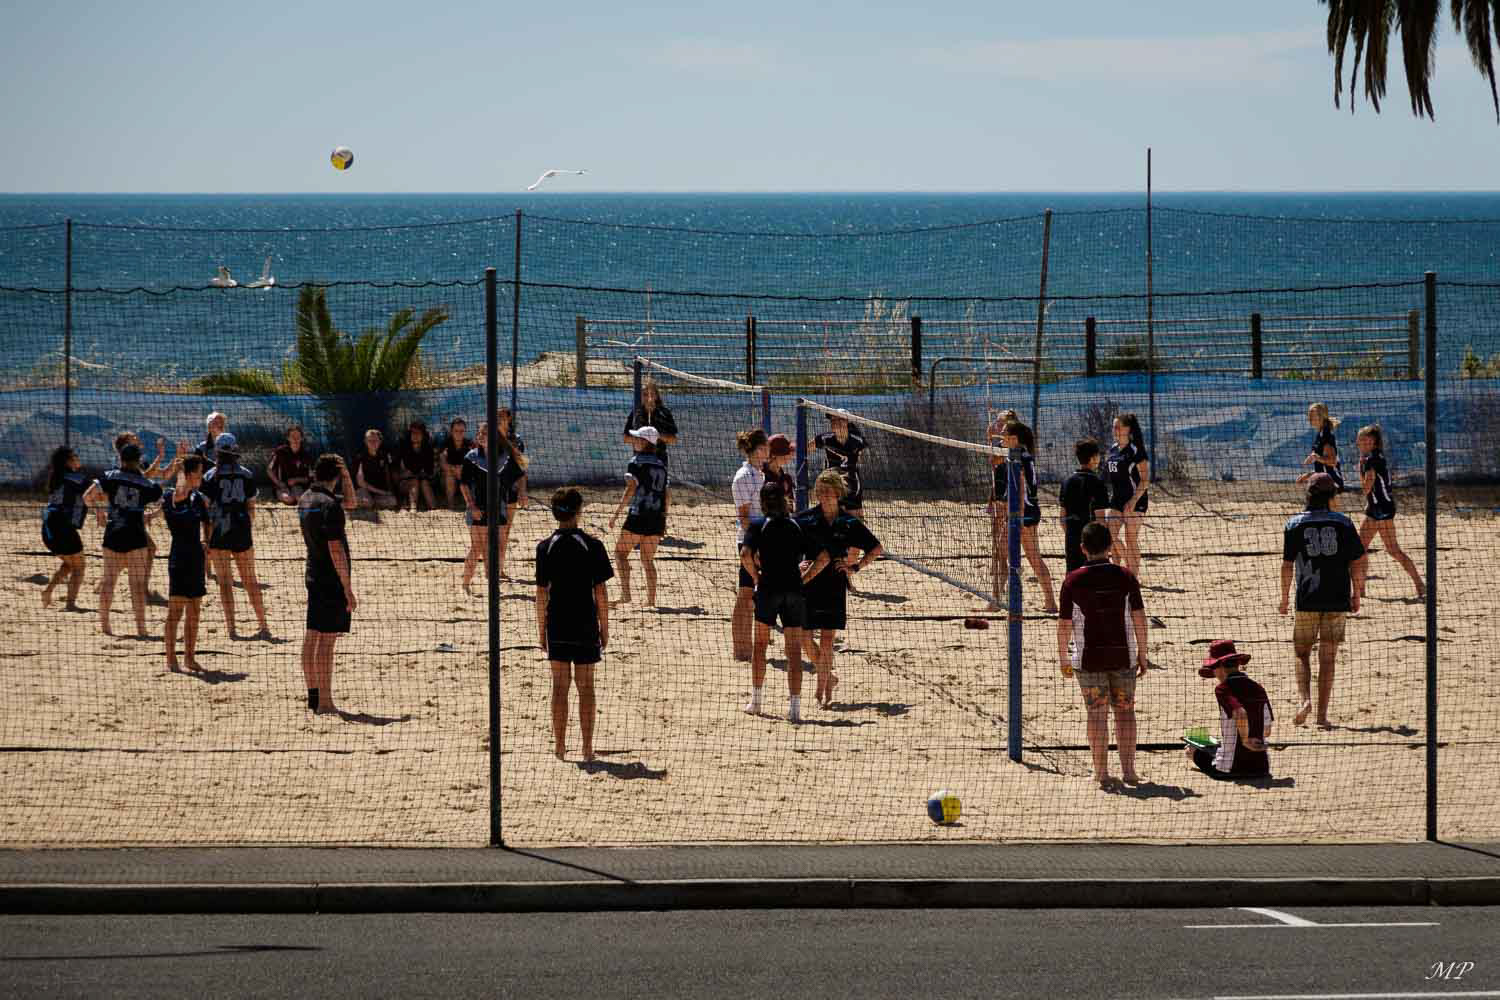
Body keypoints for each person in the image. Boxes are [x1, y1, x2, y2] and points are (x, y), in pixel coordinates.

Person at [1056, 521, 1148, 788]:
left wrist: (1063, 657)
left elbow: (1064, 625)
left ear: (1083, 548)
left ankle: (1101, 773)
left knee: (1096, 714)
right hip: (1123, 656)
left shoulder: (1073, 580)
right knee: (1125, 712)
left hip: (1089, 659)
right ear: (1110, 547)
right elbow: (1139, 619)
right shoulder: (1126, 576)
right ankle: (1129, 772)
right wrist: (1143, 653)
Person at [1280, 472, 1367, 728]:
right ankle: (1321, 716)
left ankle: (1304, 700)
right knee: (1328, 658)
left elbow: (1286, 566)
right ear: (1333, 496)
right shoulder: (1344, 523)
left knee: (1301, 653)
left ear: (1308, 494)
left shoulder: (1294, 524)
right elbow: (1357, 561)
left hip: (1306, 597)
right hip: (1337, 597)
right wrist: (1357, 592)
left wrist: (1284, 598)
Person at [535, 487, 614, 761]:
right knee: (586, 686)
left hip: (557, 622)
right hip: (584, 623)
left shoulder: (545, 547)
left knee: (559, 686)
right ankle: (587, 748)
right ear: (580, 511)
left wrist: (540, 630)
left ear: (555, 513)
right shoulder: (593, 545)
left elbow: (541, 593)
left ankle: (559, 746)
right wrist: (605, 627)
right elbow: (601, 592)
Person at [741, 480, 829, 723]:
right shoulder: (797, 525)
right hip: (793, 590)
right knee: (793, 651)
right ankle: (795, 709)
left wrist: (756, 576)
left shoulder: (759, 524)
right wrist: (806, 577)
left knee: (760, 646)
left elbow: (745, 555)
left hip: (768, 589)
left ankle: (756, 702)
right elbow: (823, 557)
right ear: (785, 499)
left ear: (762, 502)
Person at [796, 470, 882, 709]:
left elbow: (876, 548)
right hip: (809, 584)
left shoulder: (849, 522)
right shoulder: (805, 519)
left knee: (826, 640)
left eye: (827, 491)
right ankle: (829, 677)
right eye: (820, 491)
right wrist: (797, 564)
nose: (823, 496)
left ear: (837, 493)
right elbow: (791, 546)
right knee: (804, 638)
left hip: (834, 584)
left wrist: (855, 567)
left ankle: (823, 691)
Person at [298, 454, 358, 715]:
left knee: (312, 636)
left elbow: (353, 503)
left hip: (312, 572)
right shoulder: (330, 506)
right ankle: (325, 702)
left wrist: (344, 477)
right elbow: (336, 549)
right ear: (336, 476)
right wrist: (347, 587)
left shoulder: (306, 499)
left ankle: (313, 697)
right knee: (327, 642)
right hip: (330, 578)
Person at [85, 442, 164, 637]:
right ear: (139, 461)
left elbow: (87, 496)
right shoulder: (146, 484)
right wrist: (152, 515)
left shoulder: (109, 476)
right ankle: (141, 629)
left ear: (120, 458)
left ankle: (105, 626)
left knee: (109, 581)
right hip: (135, 534)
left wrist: (99, 512)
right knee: (137, 585)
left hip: (114, 531)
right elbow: (163, 500)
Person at [202, 432, 271, 640]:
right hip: (241, 531)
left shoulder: (209, 476)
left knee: (225, 583)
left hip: (219, 532)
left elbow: (205, 512)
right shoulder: (246, 474)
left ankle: (232, 629)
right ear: (235, 450)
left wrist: (207, 538)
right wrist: (245, 528)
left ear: (217, 451)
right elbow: (251, 508)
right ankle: (263, 625)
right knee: (250, 581)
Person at [989, 418, 1056, 613]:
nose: (1002, 441)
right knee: (1001, 553)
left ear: (1014, 438)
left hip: (1024, 513)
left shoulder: (1020, 457)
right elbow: (995, 457)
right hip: (1022, 511)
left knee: (1032, 557)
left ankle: (1050, 602)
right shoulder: (1018, 454)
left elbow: (1021, 489)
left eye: (1005, 437)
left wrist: (1017, 516)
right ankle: (995, 601)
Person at [1354, 423, 1424, 600]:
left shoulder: (1371, 460)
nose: (1363, 443)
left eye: (1367, 441)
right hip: (1376, 509)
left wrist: (1359, 472)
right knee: (1361, 549)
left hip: (1381, 510)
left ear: (1375, 443)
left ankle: (1420, 584)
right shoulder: (1374, 458)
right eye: (1361, 440)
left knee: (1391, 550)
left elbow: (1366, 487)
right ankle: (1361, 590)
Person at [1187, 640, 1274, 780]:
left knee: (1192, 750)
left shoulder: (1223, 689)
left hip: (1232, 768)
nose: (1214, 673)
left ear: (1220, 666)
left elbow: (1240, 713)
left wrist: (1245, 740)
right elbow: (1267, 730)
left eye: (1213, 668)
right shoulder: (1258, 687)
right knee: (1217, 746)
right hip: (1261, 768)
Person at [458, 422, 527, 593]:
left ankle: (492, 584)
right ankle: (465, 585)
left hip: (499, 507)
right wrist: (471, 505)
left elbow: (521, 475)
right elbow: (464, 484)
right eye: (479, 432)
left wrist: (522, 494)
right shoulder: (471, 457)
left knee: (499, 546)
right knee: (478, 547)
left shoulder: (505, 457)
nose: (480, 435)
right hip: (478, 507)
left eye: (485, 433)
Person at [162, 456, 212, 672]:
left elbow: (207, 522)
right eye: (199, 472)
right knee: (175, 612)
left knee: (194, 611)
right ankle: (171, 659)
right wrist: (180, 468)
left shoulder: (198, 498)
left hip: (196, 558)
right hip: (179, 558)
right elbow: (180, 493)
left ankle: (189, 658)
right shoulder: (171, 497)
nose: (202, 476)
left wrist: (206, 541)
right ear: (189, 474)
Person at [609, 426, 668, 607]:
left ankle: (626, 595)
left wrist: (616, 514)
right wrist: (664, 518)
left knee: (620, 554)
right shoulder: (661, 464)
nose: (634, 441)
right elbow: (666, 494)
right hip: (657, 517)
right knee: (647, 560)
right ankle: (650, 601)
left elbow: (630, 489)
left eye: (637, 438)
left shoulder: (636, 462)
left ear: (644, 442)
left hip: (639, 514)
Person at [730, 428, 769, 662]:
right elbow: (744, 517)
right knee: (745, 594)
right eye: (764, 447)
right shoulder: (744, 477)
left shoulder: (759, 474)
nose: (767, 451)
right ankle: (740, 649)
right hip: (749, 541)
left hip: (761, 539)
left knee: (754, 594)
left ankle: (749, 647)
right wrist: (753, 549)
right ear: (755, 449)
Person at [40, 445, 89, 611]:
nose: (78, 458)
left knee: (69, 564)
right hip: (63, 525)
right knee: (80, 567)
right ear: (68, 461)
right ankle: (70, 604)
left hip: (48, 526)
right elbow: (97, 492)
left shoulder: (56, 478)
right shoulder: (77, 478)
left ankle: (47, 592)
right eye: (75, 456)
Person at [1103, 413, 1150, 577]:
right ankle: (1119, 571)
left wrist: (1133, 501)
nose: (1115, 430)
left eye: (1118, 427)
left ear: (1128, 429)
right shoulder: (1113, 450)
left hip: (1136, 500)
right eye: (1113, 427)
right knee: (1110, 535)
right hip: (1117, 500)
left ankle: (1132, 577)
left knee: (1130, 538)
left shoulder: (1136, 450)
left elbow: (1145, 480)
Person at [1059, 439, 1111, 575]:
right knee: (1093, 578)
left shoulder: (1067, 482)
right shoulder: (1098, 483)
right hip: (1092, 541)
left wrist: (1072, 534)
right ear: (1093, 458)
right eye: (1098, 455)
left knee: (1072, 576)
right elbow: (1100, 520)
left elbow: (1062, 518)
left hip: (1072, 537)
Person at [494, 408, 529, 578]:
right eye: (497, 415)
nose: (500, 418)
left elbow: (522, 468)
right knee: (492, 531)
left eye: (503, 415)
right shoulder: (488, 437)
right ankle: (493, 568)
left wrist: (523, 491)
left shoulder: (516, 440)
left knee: (505, 531)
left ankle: (499, 568)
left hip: (510, 490)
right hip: (492, 491)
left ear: (509, 418)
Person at [814, 410, 867, 516]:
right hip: (833, 482)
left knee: (855, 519)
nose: (834, 422)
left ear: (846, 421)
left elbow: (862, 457)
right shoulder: (825, 439)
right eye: (832, 420)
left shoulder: (858, 440)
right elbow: (803, 449)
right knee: (835, 516)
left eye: (838, 419)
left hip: (852, 482)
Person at [623, 376, 679, 465]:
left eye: (651, 395)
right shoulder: (636, 413)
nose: (649, 398)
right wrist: (642, 439)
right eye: (645, 394)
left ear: (656, 396)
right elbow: (626, 438)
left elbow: (673, 439)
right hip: (639, 459)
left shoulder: (664, 413)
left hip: (659, 459)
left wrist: (657, 436)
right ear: (641, 396)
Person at [1295, 402, 1344, 492]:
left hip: (1332, 483)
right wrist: (1308, 475)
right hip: (1325, 481)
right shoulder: (1321, 434)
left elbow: (1332, 462)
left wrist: (1315, 457)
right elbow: (1323, 468)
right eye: (1310, 415)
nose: (1311, 418)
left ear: (1322, 416)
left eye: (1314, 415)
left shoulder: (1326, 435)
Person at [396, 420, 438, 511]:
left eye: (418, 433)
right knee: (414, 481)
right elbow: (398, 470)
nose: (415, 435)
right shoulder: (403, 447)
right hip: (406, 483)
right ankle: (413, 508)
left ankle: (434, 509)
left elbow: (429, 471)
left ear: (423, 435)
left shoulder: (428, 448)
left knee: (423, 482)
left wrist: (419, 473)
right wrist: (403, 475)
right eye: (413, 433)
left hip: (424, 481)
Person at [353, 429, 398, 510]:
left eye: (375, 440)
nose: (373, 443)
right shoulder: (359, 456)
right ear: (365, 441)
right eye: (370, 440)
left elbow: (388, 474)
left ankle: (374, 503)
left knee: (393, 501)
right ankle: (371, 503)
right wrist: (382, 492)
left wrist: (389, 492)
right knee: (366, 502)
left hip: (379, 489)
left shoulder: (384, 454)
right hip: (364, 489)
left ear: (380, 441)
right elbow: (361, 483)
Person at [268, 425, 313, 505]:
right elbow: (269, 470)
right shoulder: (280, 452)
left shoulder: (306, 455)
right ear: (288, 438)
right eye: (292, 436)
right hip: (282, 486)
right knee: (289, 499)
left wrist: (296, 480)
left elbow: (309, 478)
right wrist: (279, 483)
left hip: (298, 486)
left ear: (302, 438)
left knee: (300, 499)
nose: (295, 439)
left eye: (298, 436)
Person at [439, 417, 472, 509]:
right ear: (451, 431)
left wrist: (462, 469)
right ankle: (451, 504)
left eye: (462, 431)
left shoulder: (469, 444)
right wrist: (453, 469)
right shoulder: (446, 443)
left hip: (464, 476)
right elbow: (442, 463)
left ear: (465, 431)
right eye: (456, 431)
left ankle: (470, 503)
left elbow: (472, 464)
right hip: (448, 478)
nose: (459, 433)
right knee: (449, 475)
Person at [763, 433, 796, 499]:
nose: (789, 455)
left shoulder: (785, 477)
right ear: (774, 456)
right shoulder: (761, 477)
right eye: (786, 452)